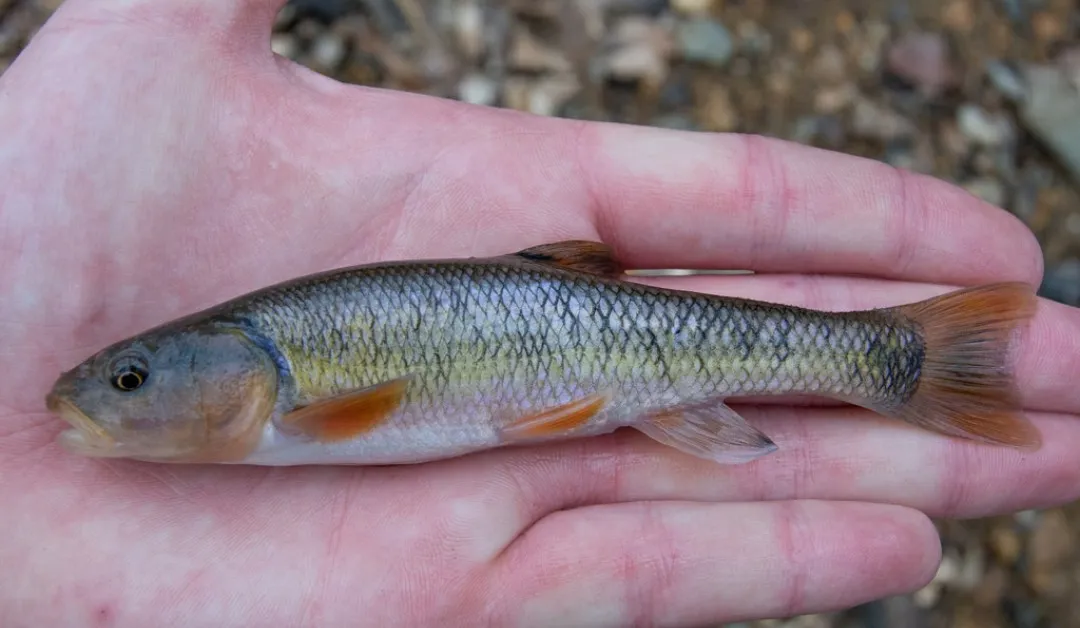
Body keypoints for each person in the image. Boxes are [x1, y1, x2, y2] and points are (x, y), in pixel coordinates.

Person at [1, 0, 1077, 625]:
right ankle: (899, 362)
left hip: (592, 351)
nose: (105, 392)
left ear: (212, 366)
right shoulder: (267, 386)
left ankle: (897, 360)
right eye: (127, 381)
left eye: (133, 377)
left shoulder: (291, 389)